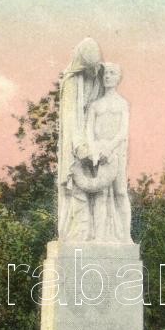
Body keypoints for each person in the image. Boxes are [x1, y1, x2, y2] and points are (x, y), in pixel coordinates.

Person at [57, 38, 103, 241]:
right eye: (89, 67)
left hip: (95, 139)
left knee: (97, 188)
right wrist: (79, 146)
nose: (93, 71)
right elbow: (70, 117)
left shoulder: (97, 78)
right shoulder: (71, 82)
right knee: (77, 187)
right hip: (77, 142)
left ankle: (96, 233)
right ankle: (79, 234)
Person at [85, 63, 132, 243]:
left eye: (112, 73)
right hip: (98, 153)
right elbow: (89, 131)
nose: (107, 76)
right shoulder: (95, 105)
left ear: (118, 78)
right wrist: (94, 150)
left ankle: (126, 236)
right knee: (100, 193)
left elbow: (123, 131)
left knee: (120, 191)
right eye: (105, 73)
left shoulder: (122, 104)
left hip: (116, 151)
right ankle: (99, 236)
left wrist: (109, 148)